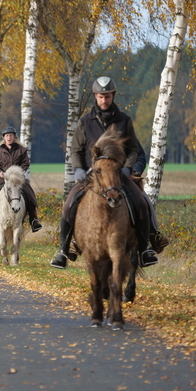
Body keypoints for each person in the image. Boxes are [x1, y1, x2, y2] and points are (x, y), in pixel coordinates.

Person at [50, 76, 166, 269]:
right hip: (91, 176)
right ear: (95, 96)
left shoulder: (124, 121)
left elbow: (133, 150)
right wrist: (78, 169)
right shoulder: (85, 121)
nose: (104, 100)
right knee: (70, 202)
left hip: (118, 176)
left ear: (113, 96)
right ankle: (64, 249)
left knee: (142, 201)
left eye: (108, 96)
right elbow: (76, 150)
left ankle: (146, 248)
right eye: (101, 96)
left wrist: (128, 168)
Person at [0, 126, 42, 232]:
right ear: (3, 138)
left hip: (17, 179)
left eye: (11, 135)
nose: (9, 137)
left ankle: (34, 220)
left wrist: (18, 173)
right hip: (1, 179)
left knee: (29, 192)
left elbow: (25, 163)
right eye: (7, 136)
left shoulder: (21, 150)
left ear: (14, 137)